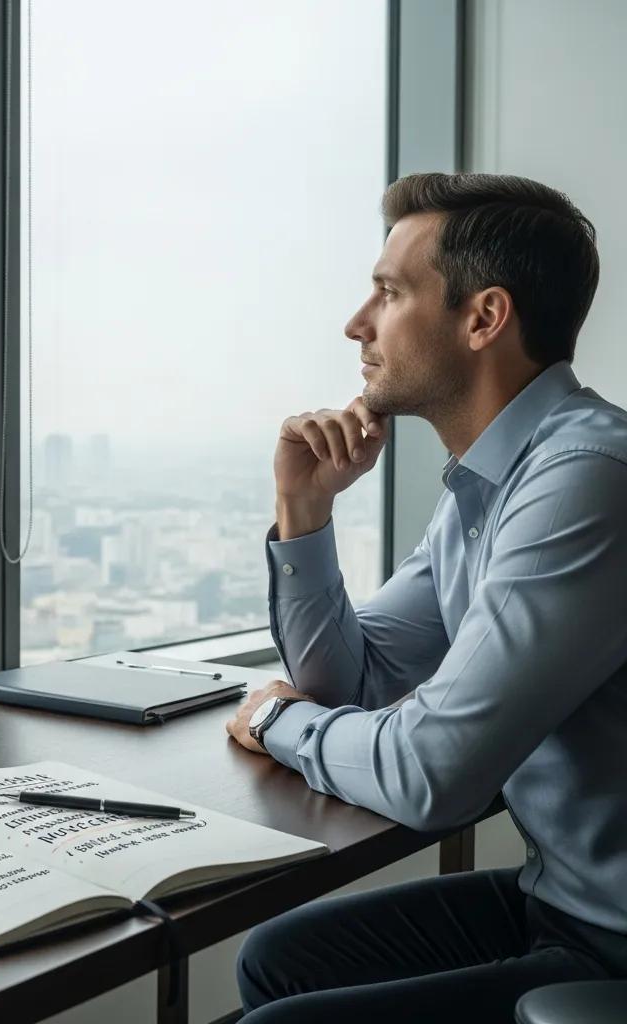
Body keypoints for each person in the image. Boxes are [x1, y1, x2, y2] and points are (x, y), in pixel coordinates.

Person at [225, 172, 627, 1022]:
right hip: (562, 899)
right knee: (279, 958)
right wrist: (305, 514)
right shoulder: (488, 486)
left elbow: (428, 773)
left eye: (389, 293)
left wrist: (269, 720)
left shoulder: (586, 482)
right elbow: (356, 684)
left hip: (614, 934)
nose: (356, 325)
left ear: (484, 318)